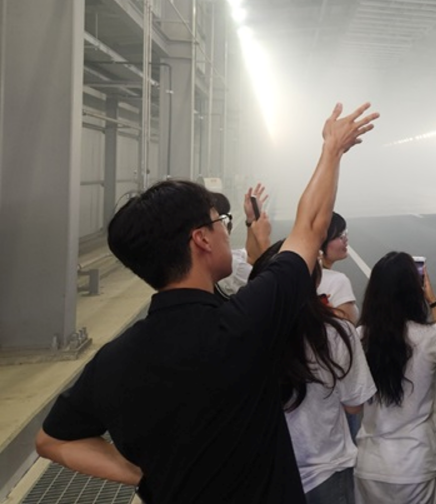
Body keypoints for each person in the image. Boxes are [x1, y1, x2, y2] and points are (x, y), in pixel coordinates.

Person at [35, 102, 378, 503]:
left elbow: (51, 441)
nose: (225, 232)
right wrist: (332, 149)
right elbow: (311, 227)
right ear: (201, 239)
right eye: (220, 222)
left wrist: (142, 474)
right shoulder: (244, 323)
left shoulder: (114, 360)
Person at [250, 239, 376, 504]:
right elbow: (354, 404)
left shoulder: (247, 333)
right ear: (315, 282)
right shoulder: (337, 332)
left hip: (269, 473)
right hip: (327, 471)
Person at [355, 252, 436, 504]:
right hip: (417, 463)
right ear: (415, 291)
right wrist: (433, 301)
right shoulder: (431, 336)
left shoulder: (360, 337)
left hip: (370, 464)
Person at [216, 183, 272, 296]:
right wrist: (263, 238)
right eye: (224, 220)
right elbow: (273, 283)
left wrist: (251, 220)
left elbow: (251, 257)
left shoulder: (227, 259)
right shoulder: (230, 267)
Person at [318, 212, 358, 323]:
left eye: (345, 233)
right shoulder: (338, 281)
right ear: (321, 242)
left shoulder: (299, 276)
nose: (346, 240)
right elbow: (348, 327)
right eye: (340, 236)